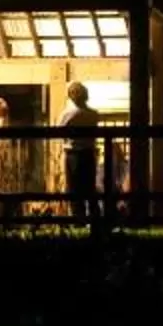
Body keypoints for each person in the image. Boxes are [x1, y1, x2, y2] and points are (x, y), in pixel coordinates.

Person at [60, 80, 104, 223]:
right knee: (89, 187)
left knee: (74, 188)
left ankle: (78, 218)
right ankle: (95, 218)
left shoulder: (69, 113)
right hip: (89, 153)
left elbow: (59, 129)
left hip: (73, 154)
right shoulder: (93, 114)